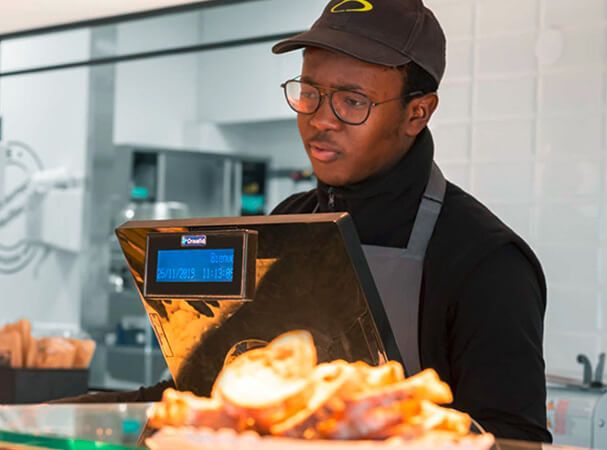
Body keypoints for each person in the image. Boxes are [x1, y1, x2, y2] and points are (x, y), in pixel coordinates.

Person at [58, 0, 551, 443]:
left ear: (416, 113)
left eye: (352, 101)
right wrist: (48, 416)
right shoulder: (290, 223)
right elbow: (206, 385)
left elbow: (516, 440)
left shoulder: (485, 260)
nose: (320, 118)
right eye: (309, 92)